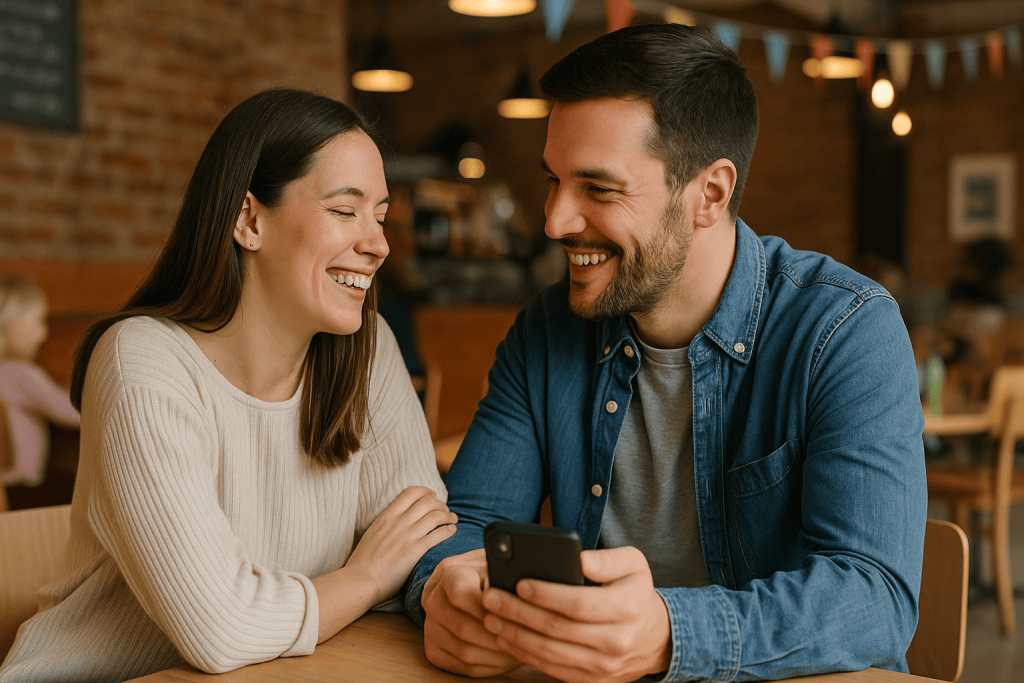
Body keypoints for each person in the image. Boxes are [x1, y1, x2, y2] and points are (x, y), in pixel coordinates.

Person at [407, 24, 927, 683]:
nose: (554, 221)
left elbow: (875, 597)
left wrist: (669, 632)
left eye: (598, 189)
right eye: (554, 181)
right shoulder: (546, 329)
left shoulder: (844, 329)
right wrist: (444, 591)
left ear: (709, 193)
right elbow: (467, 526)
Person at [0, 89, 456, 682]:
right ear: (248, 219)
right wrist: (365, 577)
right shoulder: (142, 362)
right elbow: (221, 628)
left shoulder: (367, 351)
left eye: (381, 216)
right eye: (346, 211)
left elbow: (420, 538)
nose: (379, 245)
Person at [0, 275, 80, 490]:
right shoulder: (20, 373)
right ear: (15, 327)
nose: (43, 334)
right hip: (19, 488)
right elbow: (73, 413)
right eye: (39, 321)